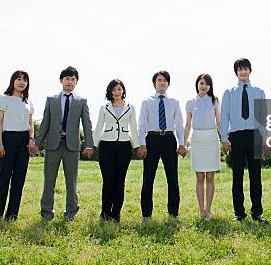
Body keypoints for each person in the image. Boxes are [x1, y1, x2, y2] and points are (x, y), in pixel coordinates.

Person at [35, 66, 94, 221]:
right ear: (61, 80)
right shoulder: (51, 100)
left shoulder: (81, 101)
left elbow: (87, 124)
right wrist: (36, 143)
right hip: (53, 145)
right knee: (49, 181)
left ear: (76, 82)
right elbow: (45, 123)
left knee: (71, 183)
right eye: (67, 78)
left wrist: (89, 144)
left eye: (73, 79)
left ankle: (71, 213)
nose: (69, 81)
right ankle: (47, 212)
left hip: (72, 147)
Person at [220, 57, 269, 224]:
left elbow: (263, 117)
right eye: (240, 69)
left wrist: (266, 138)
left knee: (256, 175)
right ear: (236, 72)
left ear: (250, 70)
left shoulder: (259, 92)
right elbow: (224, 116)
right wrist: (225, 139)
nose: (243, 72)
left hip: (255, 135)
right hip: (237, 137)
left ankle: (257, 212)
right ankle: (239, 213)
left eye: (245, 68)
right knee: (237, 175)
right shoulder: (229, 92)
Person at [137, 71, 187, 221]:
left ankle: (173, 214)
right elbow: (141, 125)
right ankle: (146, 215)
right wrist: (142, 144)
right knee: (148, 178)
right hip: (151, 139)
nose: (162, 82)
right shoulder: (146, 102)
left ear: (168, 84)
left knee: (172, 178)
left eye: (165, 80)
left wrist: (182, 144)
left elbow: (179, 125)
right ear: (154, 83)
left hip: (169, 140)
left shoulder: (174, 102)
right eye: (159, 80)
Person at [0, 70, 37, 221]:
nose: (22, 82)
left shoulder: (28, 102)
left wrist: (31, 139)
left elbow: (30, 124)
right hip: (7, 139)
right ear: (12, 81)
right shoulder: (3, 99)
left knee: (19, 180)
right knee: (3, 179)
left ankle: (12, 216)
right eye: (18, 79)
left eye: (25, 80)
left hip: (23, 141)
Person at [93, 79, 140, 222]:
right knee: (108, 180)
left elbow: (134, 128)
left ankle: (116, 213)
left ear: (123, 91)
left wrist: (137, 146)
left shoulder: (130, 108)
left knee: (120, 181)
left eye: (119, 89)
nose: (117, 92)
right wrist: (93, 146)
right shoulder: (104, 108)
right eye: (113, 90)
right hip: (106, 146)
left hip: (124, 147)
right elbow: (99, 126)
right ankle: (105, 212)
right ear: (110, 92)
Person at [184, 73, 221, 220]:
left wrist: (225, 139)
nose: (204, 86)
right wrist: (182, 143)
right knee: (199, 176)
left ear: (210, 86)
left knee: (210, 176)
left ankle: (208, 209)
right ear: (197, 85)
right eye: (201, 83)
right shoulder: (190, 102)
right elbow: (187, 125)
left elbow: (218, 122)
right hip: (197, 139)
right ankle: (201, 211)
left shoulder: (215, 101)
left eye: (207, 84)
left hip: (211, 138)